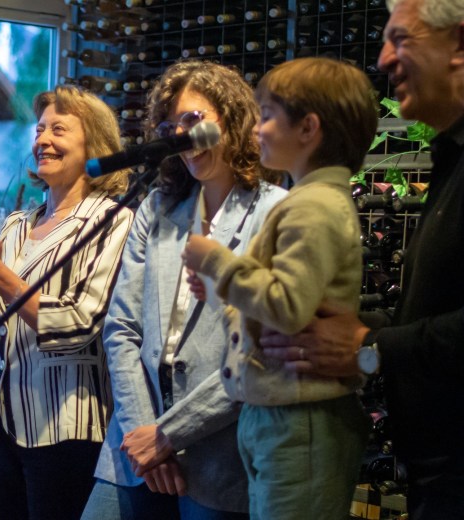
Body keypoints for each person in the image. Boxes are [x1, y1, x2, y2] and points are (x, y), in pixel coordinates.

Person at [260, 1, 464, 517]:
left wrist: (372, 347)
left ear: (459, 44)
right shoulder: (452, 157)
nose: (381, 59)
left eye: (401, 39)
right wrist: (359, 330)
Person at [82, 61, 286, 520]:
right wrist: (144, 434)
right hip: (134, 445)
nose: (182, 134)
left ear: (232, 120)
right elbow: (121, 329)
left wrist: (171, 433)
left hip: (219, 451)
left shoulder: (275, 212)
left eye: (193, 120)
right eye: (171, 126)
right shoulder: (157, 206)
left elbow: (262, 350)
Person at [181, 58, 379, 519]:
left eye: (267, 115)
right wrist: (219, 289)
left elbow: (288, 307)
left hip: (299, 420)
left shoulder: (312, 207)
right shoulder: (308, 200)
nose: (255, 131)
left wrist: (215, 259)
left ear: (308, 128)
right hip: (278, 415)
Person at [0, 85, 133, 520]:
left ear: (93, 145)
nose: (42, 140)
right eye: (39, 129)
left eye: (59, 129)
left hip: (63, 431)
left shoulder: (113, 220)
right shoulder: (17, 225)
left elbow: (76, 326)